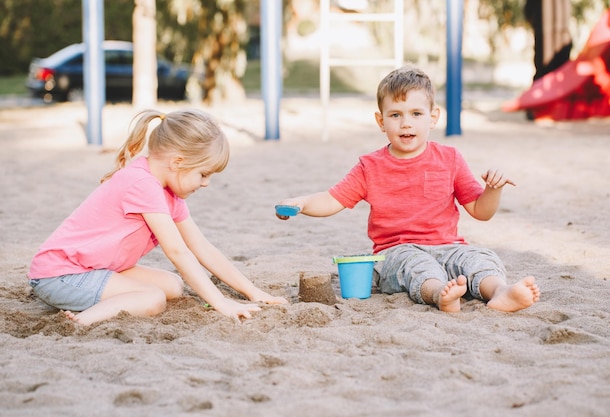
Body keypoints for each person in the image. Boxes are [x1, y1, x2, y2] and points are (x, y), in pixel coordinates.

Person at [276, 65, 540, 313]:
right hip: (396, 252)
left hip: (448, 247)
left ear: (433, 117)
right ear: (381, 122)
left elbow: (480, 211)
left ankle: (500, 292)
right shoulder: (370, 166)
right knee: (414, 265)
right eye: (395, 115)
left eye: (416, 114)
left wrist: (492, 190)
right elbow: (332, 199)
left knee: (480, 257)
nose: (406, 123)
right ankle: (440, 295)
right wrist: (302, 203)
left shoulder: (450, 158)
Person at [28, 109, 287, 326]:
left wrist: (252, 292)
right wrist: (221, 303)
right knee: (153, 299)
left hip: (93, 269)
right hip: (61, 275)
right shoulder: (143, 183)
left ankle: (96, 301)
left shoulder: (169, 193)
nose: (206, 183)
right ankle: (82, 321)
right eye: (204, 174)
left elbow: (201, 247)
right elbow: (177, 252)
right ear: (177, 162)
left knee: (173, 285)